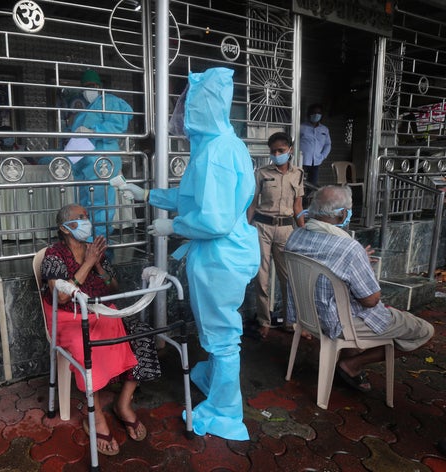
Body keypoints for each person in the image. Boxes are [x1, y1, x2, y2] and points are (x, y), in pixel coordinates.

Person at [115, 67, 260, 441]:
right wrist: (147, 195)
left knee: (223, 336)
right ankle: (215, 379)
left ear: (204, 108)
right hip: (221, 256)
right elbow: (192, 198)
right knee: (216, 330)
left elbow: (213, 220)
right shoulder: (221, 145)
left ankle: (226, 411)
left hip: (220, 258)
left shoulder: (217, 153)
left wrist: (173, 227)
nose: (184, 117)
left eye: (190, 107)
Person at [285, 185, 434, 392]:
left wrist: (357, 259)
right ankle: (351, 365)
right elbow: (370, 300)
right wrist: (359, 259)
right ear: (343, 214)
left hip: (306, 315)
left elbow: (325, 258)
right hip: (336, 323)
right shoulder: (349, 249)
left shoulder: (296, 235)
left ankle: (346, 359)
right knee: (424, 330)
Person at [40, 203, 161, 456]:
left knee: (141, 333)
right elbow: (60, 297)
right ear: (64, 228)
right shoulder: (54, 255)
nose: (87, 221)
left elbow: (114, 288)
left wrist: (97, 265)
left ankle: (123, 404)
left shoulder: (95, 250)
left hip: (104, 314)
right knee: (88, 347)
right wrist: (87, 263)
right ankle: (94, 418)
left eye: (86, 216)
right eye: (80, 218)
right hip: (69, 318)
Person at [247, 132, 305, 339]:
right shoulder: (262, 173)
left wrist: (303, 232)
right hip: (262, 227)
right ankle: (264, 322)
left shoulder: (298, 174)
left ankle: (290, 321)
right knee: (261, 278)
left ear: (290, 149)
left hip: (286, 230)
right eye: (273, 151)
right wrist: (246, 229)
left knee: (288, 278)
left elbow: (298, 206)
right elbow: (252, 204)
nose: (277, 154)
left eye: (280, 150)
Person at [70, 69, 133, 240]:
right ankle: (86, 239)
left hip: (102, 163)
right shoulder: (86, 110)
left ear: (99, 86)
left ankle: (99, 242)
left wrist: (92, 131)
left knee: (101, 204)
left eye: (92, 86)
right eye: (86, 87)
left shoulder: (108, 101)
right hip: (85, 166)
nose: (88, 90)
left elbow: (117, 126)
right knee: (84, 203)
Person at [299, 103, 331, 188]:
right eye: (314, 112)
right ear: (309, 114)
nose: (316, 115)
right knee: (300, 184)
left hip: (316, 162)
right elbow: (294, 142)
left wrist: (323, 156)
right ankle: (300, 200)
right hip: (302, 161)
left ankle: (309, 200)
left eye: (319, 113)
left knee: (313, 185)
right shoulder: (301, 127)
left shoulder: (324, 129)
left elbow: (328, 144)